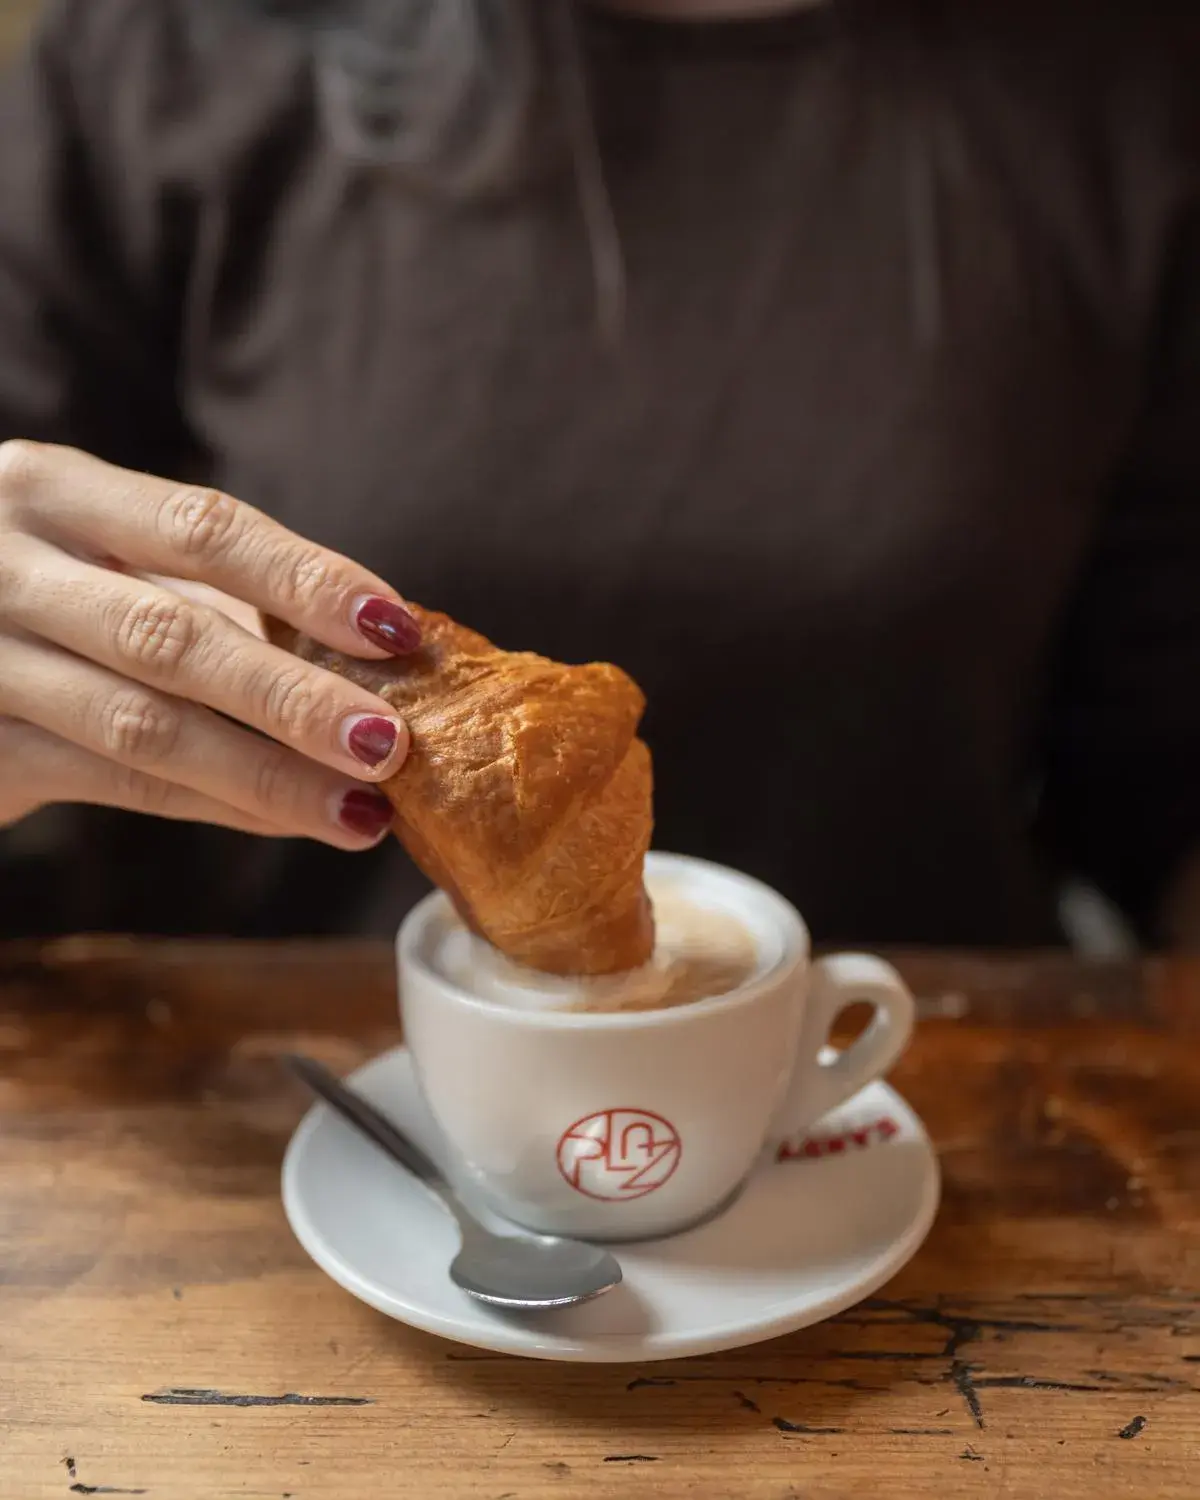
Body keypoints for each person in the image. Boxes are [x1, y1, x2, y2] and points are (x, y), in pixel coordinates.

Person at [0, 0, 1197, 948]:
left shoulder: (1131, 78)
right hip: (245, 1117)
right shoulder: (169, 47)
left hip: (918, 1108)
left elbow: (1160, 771)